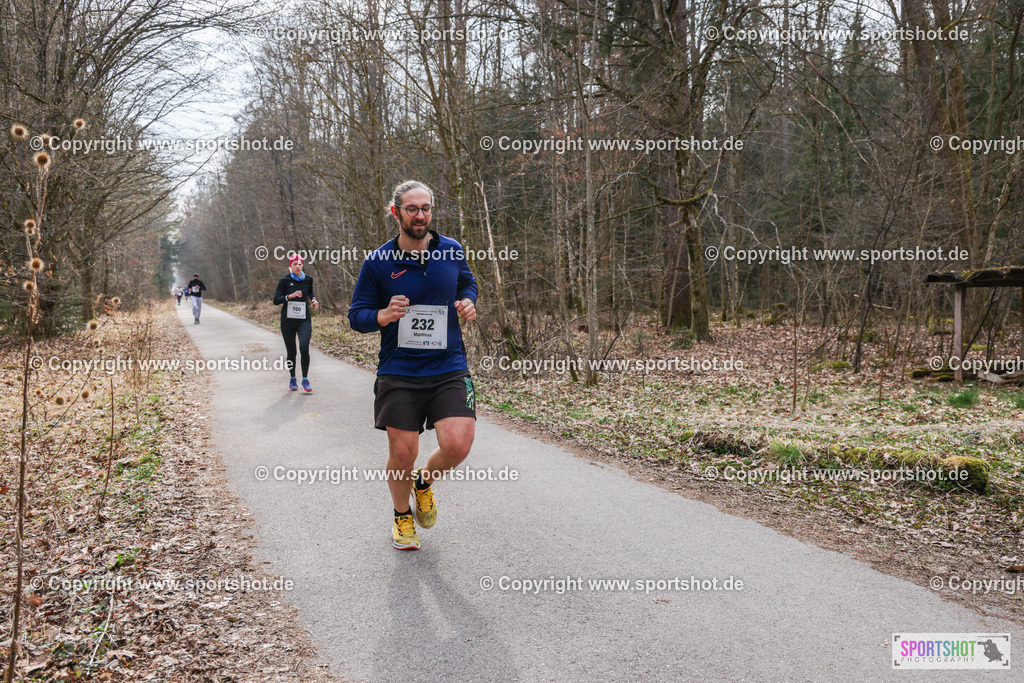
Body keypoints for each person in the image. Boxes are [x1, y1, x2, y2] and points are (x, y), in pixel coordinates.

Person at [349, 180, 478, 550]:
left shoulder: (451, 251)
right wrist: (383, 315)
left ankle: (424, 483)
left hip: (448, 365)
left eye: (426, 208)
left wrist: (468, 301)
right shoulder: (377, 263)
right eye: (412, 209)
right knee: (403, 453)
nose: (420, 216)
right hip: (400, 371)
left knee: (458, 444)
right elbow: (356, 316)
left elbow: (468, 284)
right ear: (396, 213)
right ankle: (402, 515)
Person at [273, 254, 319, 392]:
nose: (298, 266)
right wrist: (290, 296)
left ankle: (305, 380)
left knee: (304, 348)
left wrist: (314, 299)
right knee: (291, 352)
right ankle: (292, 378)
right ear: (290, 266)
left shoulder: (308, 280)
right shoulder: (284, 281)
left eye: (300, 264)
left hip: (303, 319)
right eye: (295, 264)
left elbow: (310, 292)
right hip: (288, 321)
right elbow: (276, 300)